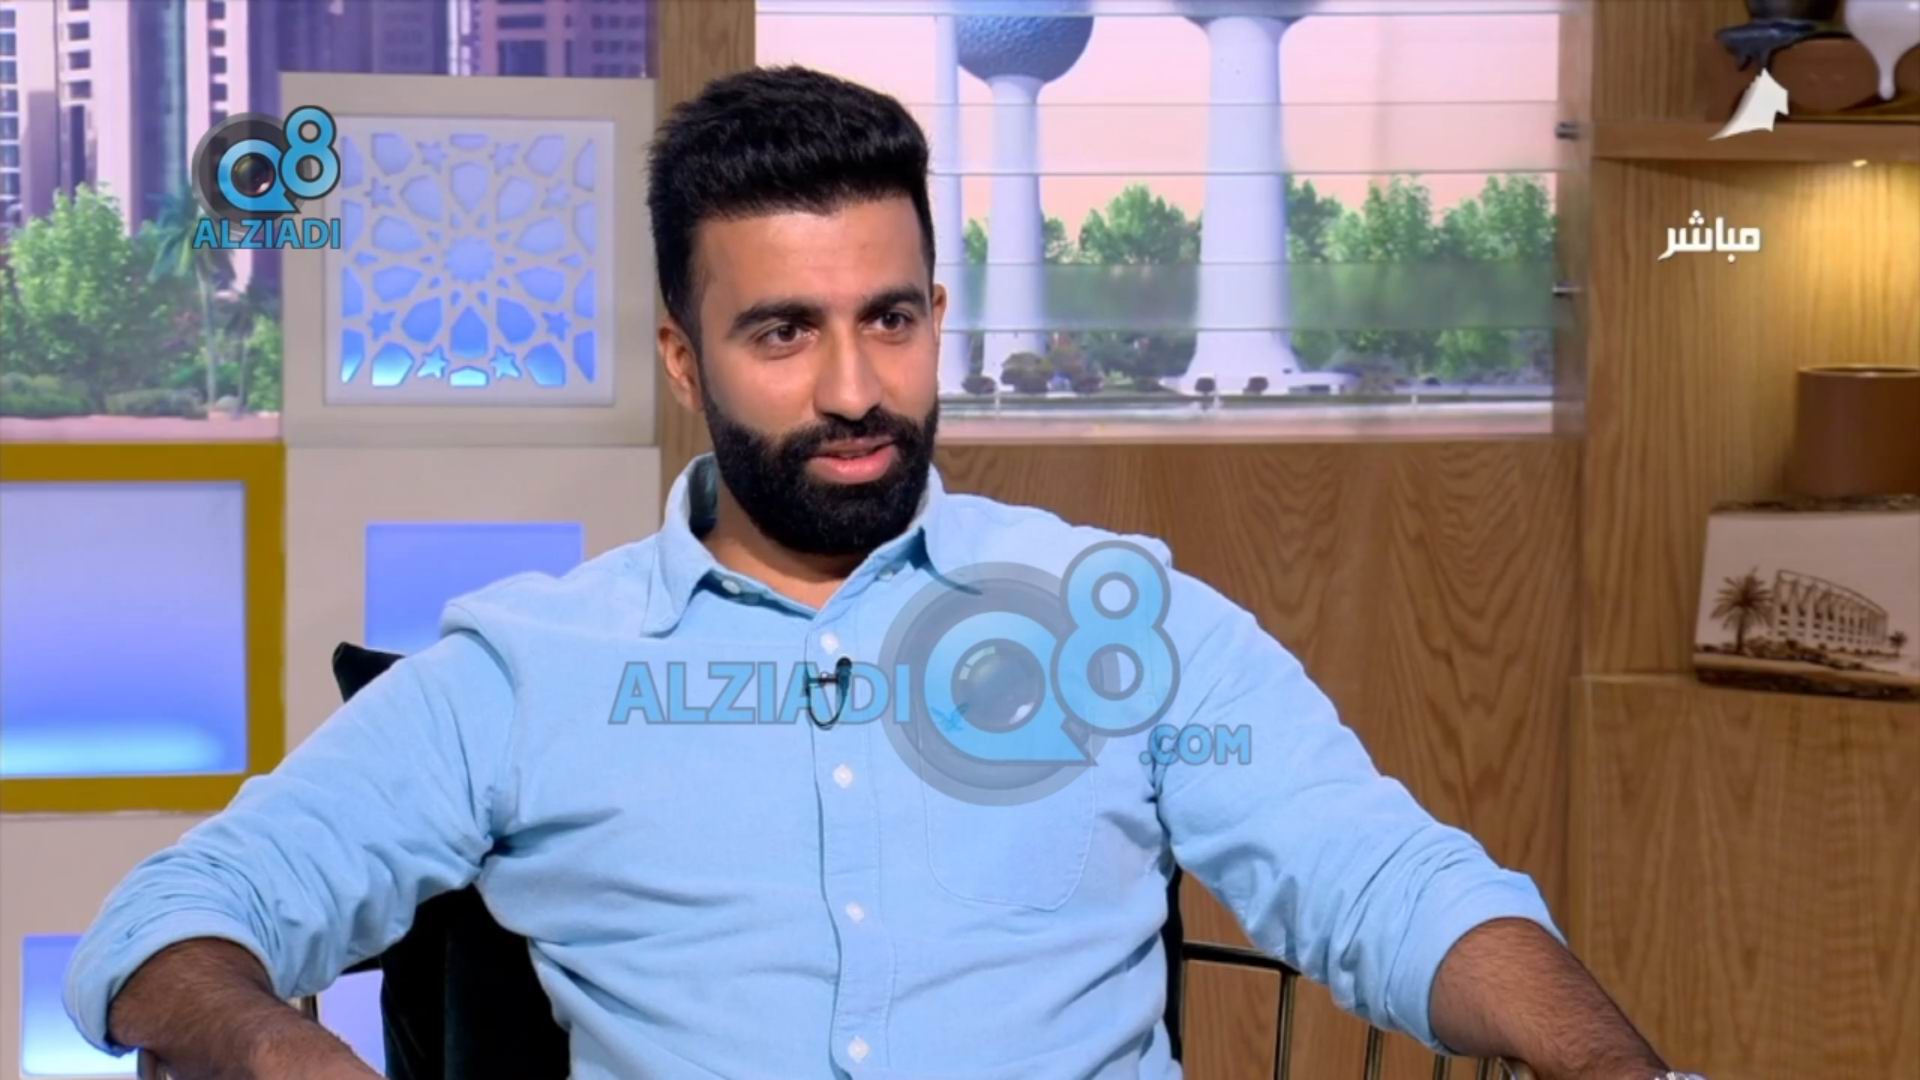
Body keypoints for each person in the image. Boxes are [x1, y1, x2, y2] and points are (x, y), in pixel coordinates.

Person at [66, 66, 1682, 1080]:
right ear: (686, 360)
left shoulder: (1117, 616)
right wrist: (276, 1052)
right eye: (784, 332)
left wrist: (1621, 1072)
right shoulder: (524, 670)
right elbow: (164, 928)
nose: (856, 389)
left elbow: (1388, 884)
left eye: (890, 319)